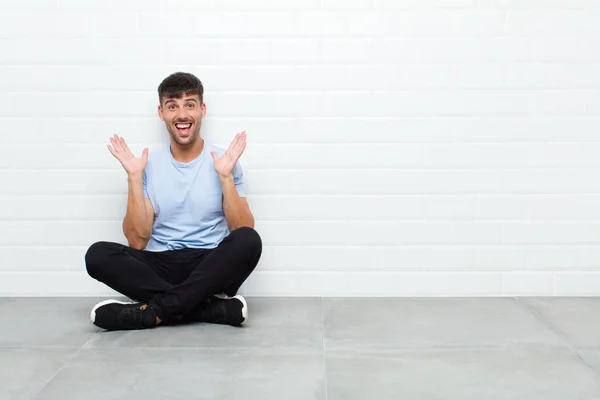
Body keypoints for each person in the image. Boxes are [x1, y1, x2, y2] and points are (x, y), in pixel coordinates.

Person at [85, 72, 262, 331]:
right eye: (172, 106)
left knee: (249, 241)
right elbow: (137, 241)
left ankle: (153, 311)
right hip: (161, 264)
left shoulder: (225, 161)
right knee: (98, 255)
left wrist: (225, 177)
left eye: (189, 104)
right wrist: (135, 178)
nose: (182, 114)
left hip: (209, 265)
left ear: (202, 110)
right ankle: (208, 308)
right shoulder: (148, 166)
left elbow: (242, 229)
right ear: (161, 112)